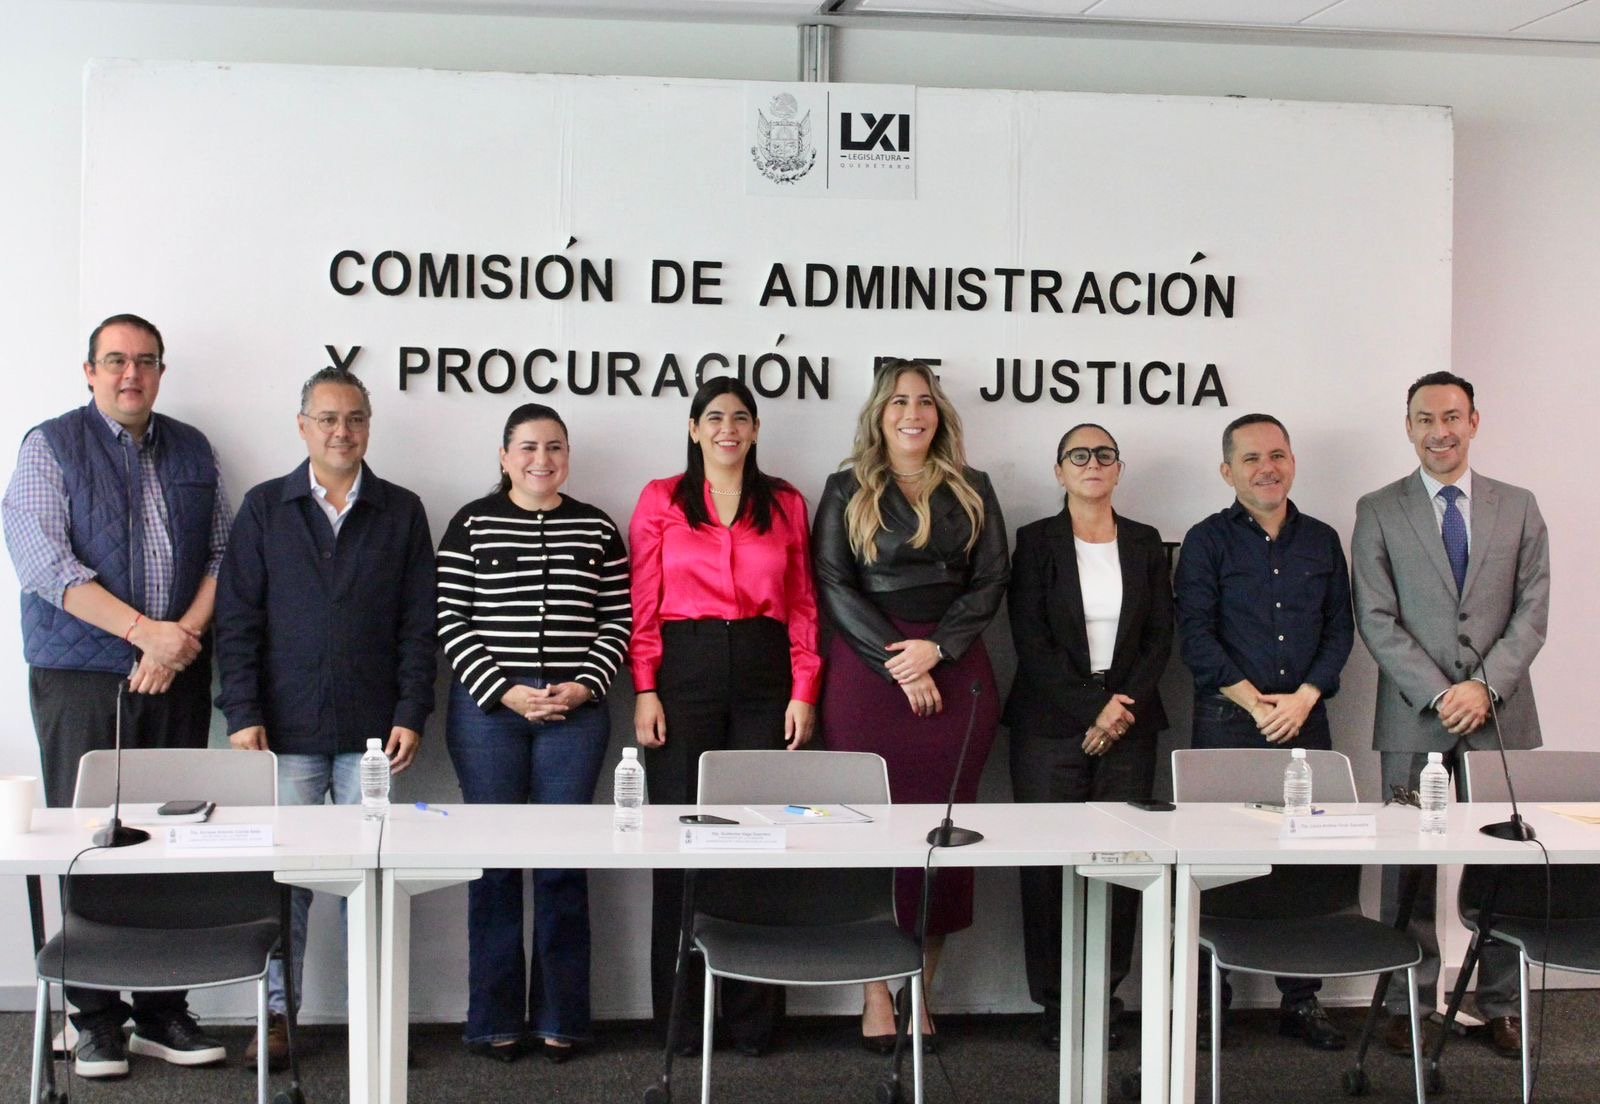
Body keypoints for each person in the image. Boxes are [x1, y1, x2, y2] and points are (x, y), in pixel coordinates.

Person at [1, 313, 233, 1077]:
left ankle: (163, 1011)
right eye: (115, 361)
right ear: (90, 371)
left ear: (161, 371)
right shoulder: (50, 445)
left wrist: (179, 639)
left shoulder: (193, 448)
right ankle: (94, 1019)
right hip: (82, 677)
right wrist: (144, 635)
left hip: (178, 670)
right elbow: (44, 563)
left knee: (173, 842)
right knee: (89, 842)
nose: (131, 374)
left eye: (145, 361)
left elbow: (223, 555)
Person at [214, 367, 436, 1068]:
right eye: (329, 419)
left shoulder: (401, 511)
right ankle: (278, 1016)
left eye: (355, 418)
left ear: (369, 426)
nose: (343, 432)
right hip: (285, 734)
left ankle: (377, 1016)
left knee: (373, 876)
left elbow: (419, 624)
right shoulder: (264, 508)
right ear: (303, 426)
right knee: (287, 882)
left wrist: (412, 710)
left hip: (375, 737)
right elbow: (237, 620)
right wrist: (242, 711)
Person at [811, 357, 1008, 1052]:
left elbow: (990, 582)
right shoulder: (845, 487)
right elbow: (833, 583)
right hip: (869, 675)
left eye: (924, 401)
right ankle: (874, 993)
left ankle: (920, 990)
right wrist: (899, 662)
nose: (912, 413)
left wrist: (939, 650)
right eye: (898, 401)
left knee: (943, 839)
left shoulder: (974, 488)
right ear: (879, 413)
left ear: (939, 413)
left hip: (956, 673)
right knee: (870, 833)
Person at [1351, 371, 1548, 1059]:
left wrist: (1484, 687)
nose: (1441, 431)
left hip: (1501, 717)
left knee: (1505, 861)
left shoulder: (1518, 506)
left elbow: (1533, 611)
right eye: (1426, 418)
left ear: (1474, 422)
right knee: (1407, 864)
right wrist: (1442, 693)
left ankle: (1501, 1006)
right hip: (1414, 717)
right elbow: (1375, 617)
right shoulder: (1378, 508)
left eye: (1453, 417)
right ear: (1408, 427)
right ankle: (1408, 1003)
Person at [629, 376, 819, 1056]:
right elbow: (643, 600)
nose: (727, 429)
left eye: (741, 417)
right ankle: (681, 1022)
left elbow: (803, 602)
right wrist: (645, 687)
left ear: (756, 430)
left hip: (767, 674)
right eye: (714, 417)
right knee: (679, 842)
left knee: (760, 845)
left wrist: (805, 688)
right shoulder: (661, 499)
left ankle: (751, 1021)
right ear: (693, 428)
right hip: (685, 671)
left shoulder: (786, 502)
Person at [438, 403, 631, 1063]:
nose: (541, 459)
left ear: (567, 457)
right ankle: (493, 1019)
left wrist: (584, 686)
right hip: (489, 711)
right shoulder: (471, 523)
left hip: (577, 711)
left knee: (560, 863)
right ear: (504, 456)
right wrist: (506, 691)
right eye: (527, 447)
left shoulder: (597, 527)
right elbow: (451, 618)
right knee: (493, 864)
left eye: (554, 447)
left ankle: (561, 1017)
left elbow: (617, 619)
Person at [1173, 412, 1354, 1051]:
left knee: (1304, 867)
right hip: (1228, 721)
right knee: (1216, 862)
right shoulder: (1205, 541)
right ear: (1228, 472)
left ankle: (1300, 1001)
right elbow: (1195, 634)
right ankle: (1206, 1003)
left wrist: (1303, 698)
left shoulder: (1323, 540)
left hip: (1306, 719)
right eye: (1250, 458)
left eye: (1276, 455)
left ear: (1292, 463)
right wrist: (1255, 703)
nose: (1266, 468)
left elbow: (1340, 630)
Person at [1003, 423, 1173, 1051]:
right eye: (1079, 455)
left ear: (1119, 469)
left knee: (1121, 866)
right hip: (1049, 726)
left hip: (1130, 721)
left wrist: (1117, 710)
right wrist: (1093, 709)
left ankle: (1104, 998)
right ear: (1060, 471)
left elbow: (1160, 636)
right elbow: (1031, 640)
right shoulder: (1035, 542)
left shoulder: (1146, 541)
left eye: (1104, 454)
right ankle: (1056, 1003)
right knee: (1049, 869)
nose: (1092, 463)